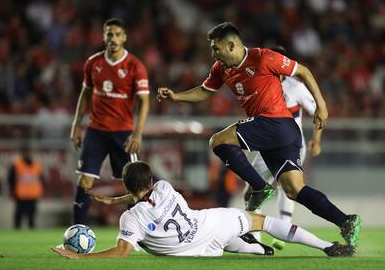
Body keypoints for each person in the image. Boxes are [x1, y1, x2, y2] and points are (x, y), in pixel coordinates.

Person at [157, 22, 361, 246]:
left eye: (216, 48)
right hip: (279, 132)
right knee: (294, 190)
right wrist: (176, 97)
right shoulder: (220, 68)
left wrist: (321, 105)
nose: (213, 52)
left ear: (232, 45)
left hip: (276, 123)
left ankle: (260, 188)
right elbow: (205, 92)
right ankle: (346, 221)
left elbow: (303, 71)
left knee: (218, 141)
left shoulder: (263, 58)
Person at [51, 161, 355, 259]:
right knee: (261, 221)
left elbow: (122, 252)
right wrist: (119, 198)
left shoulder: (131, 217)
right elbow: (143, 194)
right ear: (152, 180)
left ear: (127, 188)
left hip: (193, 249)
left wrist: (80, 255)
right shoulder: (165, 187)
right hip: (208, 224)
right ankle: (327, 246)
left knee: (230, 241)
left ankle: (258, 251)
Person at [70, 18, 150, 224]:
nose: (113, 38)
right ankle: (77, 230)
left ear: (124, 37)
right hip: (96, 130)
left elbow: (144, 101)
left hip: (124, 133)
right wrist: (76, 126)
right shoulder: (93, 63)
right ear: (103, 36)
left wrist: (138, 133)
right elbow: (84, 95)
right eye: (109, 34)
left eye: (117, 34)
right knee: (84, 180)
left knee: (136, 185)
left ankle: (141, 234)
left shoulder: (135, 66)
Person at [245, 46, 322, 249]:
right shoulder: (259, 85)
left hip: (293, 146)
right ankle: (256, 237)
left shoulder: (295, 87)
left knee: (288, 187)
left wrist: (317, 139)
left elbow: (318, 111)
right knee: (255, 189)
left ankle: (283, 231)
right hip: (267, 147)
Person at [8, 144, 44, 229]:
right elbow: (11, 179)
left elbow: (41, 179)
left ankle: (31, 235)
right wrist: (13, 191)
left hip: (33, 195)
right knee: (18, 218)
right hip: (21, 195)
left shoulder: (37, 165)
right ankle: (17, 234)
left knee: (31, 218)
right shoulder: (16, 165)